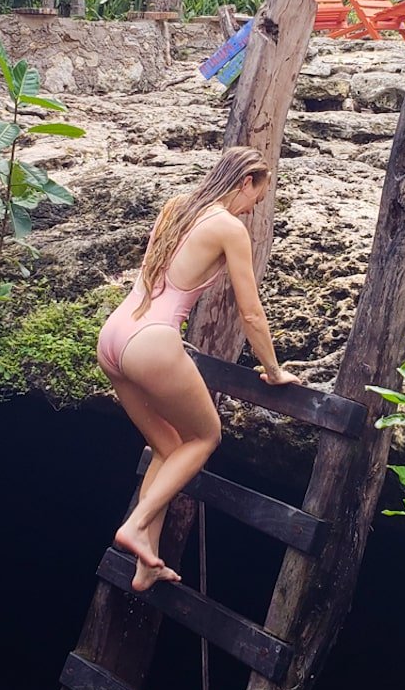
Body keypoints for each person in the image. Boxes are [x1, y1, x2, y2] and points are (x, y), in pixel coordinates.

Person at [97, 146, 298, 591]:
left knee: (168, 446)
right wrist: (273, 369)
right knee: (205, 437)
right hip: (152, 341)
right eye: (256, 200)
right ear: (245, 183)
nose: (252, 210)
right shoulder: (228, 227)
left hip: (114, 334)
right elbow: (250, 311)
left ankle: (146, 561)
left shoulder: (177, 208)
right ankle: (135, 526)